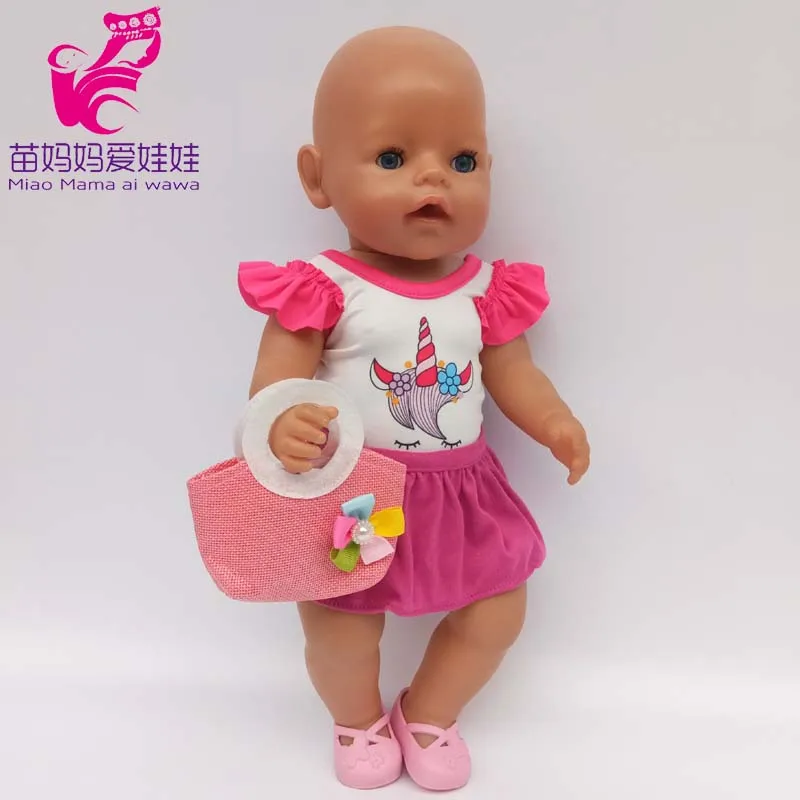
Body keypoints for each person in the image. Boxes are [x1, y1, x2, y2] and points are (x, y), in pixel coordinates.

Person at [238, 25, 590, 791]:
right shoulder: (323, 288)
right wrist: (281, 422)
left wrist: (554, 421)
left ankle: (429, 712)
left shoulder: (486, 290)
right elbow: (273, 385)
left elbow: (514, 373)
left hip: (462, 494)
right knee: (340, 628)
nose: (434, 178)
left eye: (461, 161)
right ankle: (357, 721)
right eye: (394, 158)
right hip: (355, 495)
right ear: (318, 177)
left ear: (488, 169)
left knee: (498, 610)